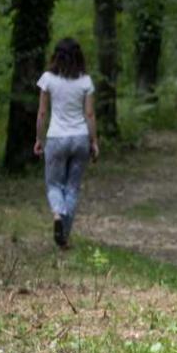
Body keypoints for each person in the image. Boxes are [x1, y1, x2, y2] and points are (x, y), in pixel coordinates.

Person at [34, 38, 99, 249]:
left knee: (54, 185)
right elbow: (89, 114)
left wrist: (39, 139)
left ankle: (57, 215)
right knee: (72, 188)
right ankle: (64, 238)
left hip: (56, 138)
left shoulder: (48, 79)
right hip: (80, 137)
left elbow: (43, 112)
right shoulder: (85, 81)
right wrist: (94, 141)